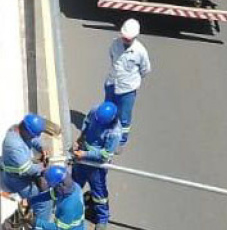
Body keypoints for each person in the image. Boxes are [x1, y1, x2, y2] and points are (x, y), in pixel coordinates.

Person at [72, 102, 122, 230]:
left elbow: (105, 154)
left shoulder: (114, 132)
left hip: (97, 165)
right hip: (82, 157)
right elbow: (87, 123)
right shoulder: (96, 112)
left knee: (99, 193)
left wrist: (85, 154)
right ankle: (71, 206)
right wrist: (80, 140)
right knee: (74, 184)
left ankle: (102, 218)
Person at [103, 18, 151, 145]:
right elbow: (112, 56)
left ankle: (121, 140)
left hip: (127, 90)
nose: (125, 40)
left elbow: (145, 69)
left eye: (128, 39)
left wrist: (130, 80)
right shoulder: (115, 43)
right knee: (108, 111)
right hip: (112, 84)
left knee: (124, 118)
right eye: (124, 37)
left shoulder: (140, 51)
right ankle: (105, 133)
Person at [1, 113, 52, 221]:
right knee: (44, 201)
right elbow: (26, 169)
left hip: (24, 173)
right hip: (17, 181)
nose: (35, 137)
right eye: (34, 134)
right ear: (27, 131)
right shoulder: (14, 145)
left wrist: (41, 148)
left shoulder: (20, 131)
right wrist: (42, 166)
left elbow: (32, 139)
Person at [30, 165, 85, 230]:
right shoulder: (73, 187)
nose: (52, 188)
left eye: (52, 186)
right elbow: (50, 194)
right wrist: (31, 201)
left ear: (60, 185)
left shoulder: (68, 206)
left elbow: (58, 228)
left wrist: (36, 222)